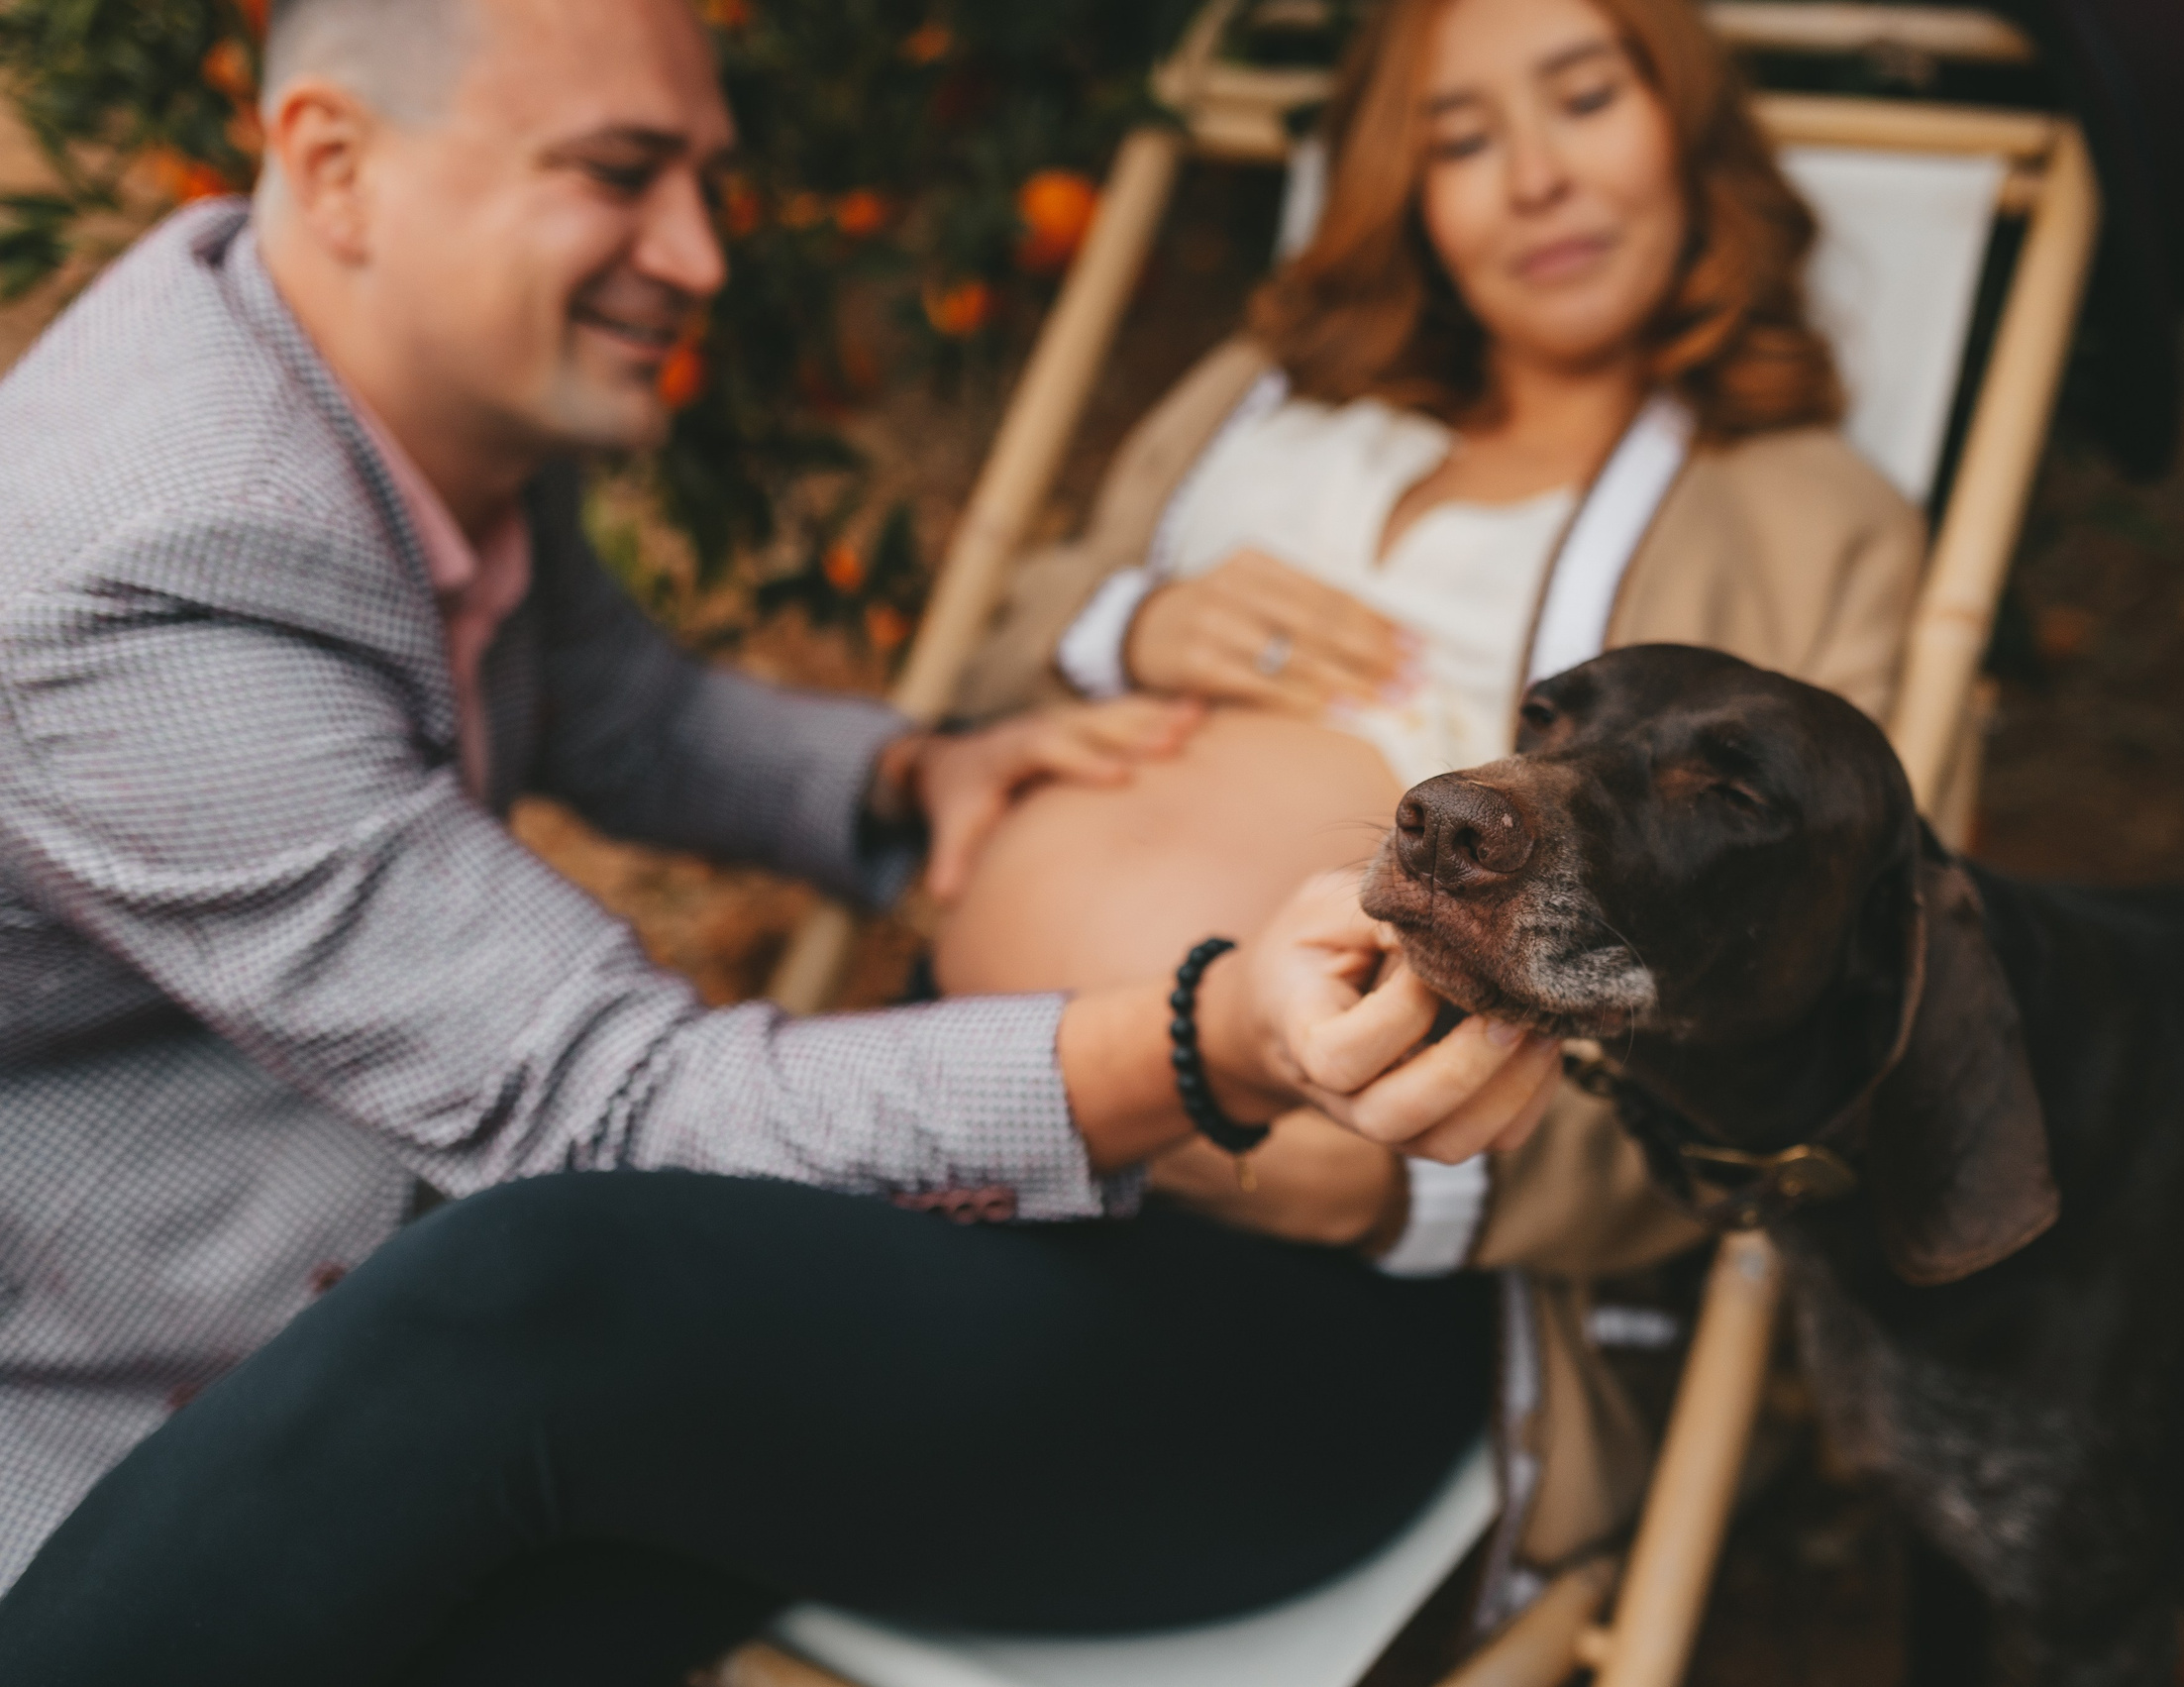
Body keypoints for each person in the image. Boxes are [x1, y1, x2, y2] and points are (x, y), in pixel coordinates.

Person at [0, 0, 1565, 1680]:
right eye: (618, 173)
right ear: (334, 163)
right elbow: (609, 1108)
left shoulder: (389, 379)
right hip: (132, 1425)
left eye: (703, 181)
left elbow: (626, 711)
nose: (698, 256)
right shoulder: (146, 570)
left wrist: (905, 780)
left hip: (443, 1302)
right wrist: (1205, 1040)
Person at [938, 0, 1926, 1588]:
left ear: (1684, 124)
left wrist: (1382, 1182)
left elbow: (1820, 1000)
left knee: (625, 1335)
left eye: (1584, 99)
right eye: (1460, 138)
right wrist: (1129, 621)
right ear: (1406, 188)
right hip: (948, 1081)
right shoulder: (1272, 391)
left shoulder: (1811, 518)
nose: (1533, 179)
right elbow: (975, 668)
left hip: (1298, 1245)